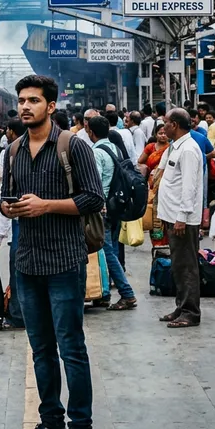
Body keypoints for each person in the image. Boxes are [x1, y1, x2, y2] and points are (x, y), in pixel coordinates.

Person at [1, 74, 103, 429]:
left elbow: (93, 198)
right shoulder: (12, 151)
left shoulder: (73, 147)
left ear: (51, 106)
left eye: (33, 101)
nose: (25, 107)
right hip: (27, 263)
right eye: (22, 101)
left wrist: (46, 205)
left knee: (71, 348)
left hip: (64, 262)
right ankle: (51, 422)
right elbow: (3, 200)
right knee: (40, 349)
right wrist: (8, 208)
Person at [157, 108, 203, 328]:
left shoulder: (189, 150)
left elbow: (189, 187)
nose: (163, 126)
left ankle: (190, 312)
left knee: (186, 266)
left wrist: (182, 217)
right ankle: (181, 306)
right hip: (173, 214)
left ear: (174, 124)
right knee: (178, 264)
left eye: (165, 122)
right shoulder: (177, 146)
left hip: (182, 218)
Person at [85, 115, 136, 311]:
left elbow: (94, 182)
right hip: (116, 207)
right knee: (111, 249)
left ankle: (127, 293)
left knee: (106, 252)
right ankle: (103, 294)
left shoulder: (96, 152)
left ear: (90, 131)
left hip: (102, 208)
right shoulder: (115, 147)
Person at [0, 118, 27, 329]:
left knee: (17, 274)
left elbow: (6, 200)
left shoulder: (9, 152)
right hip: (35, 223)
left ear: (12, 132)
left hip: (19, 225)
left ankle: (17, 316)